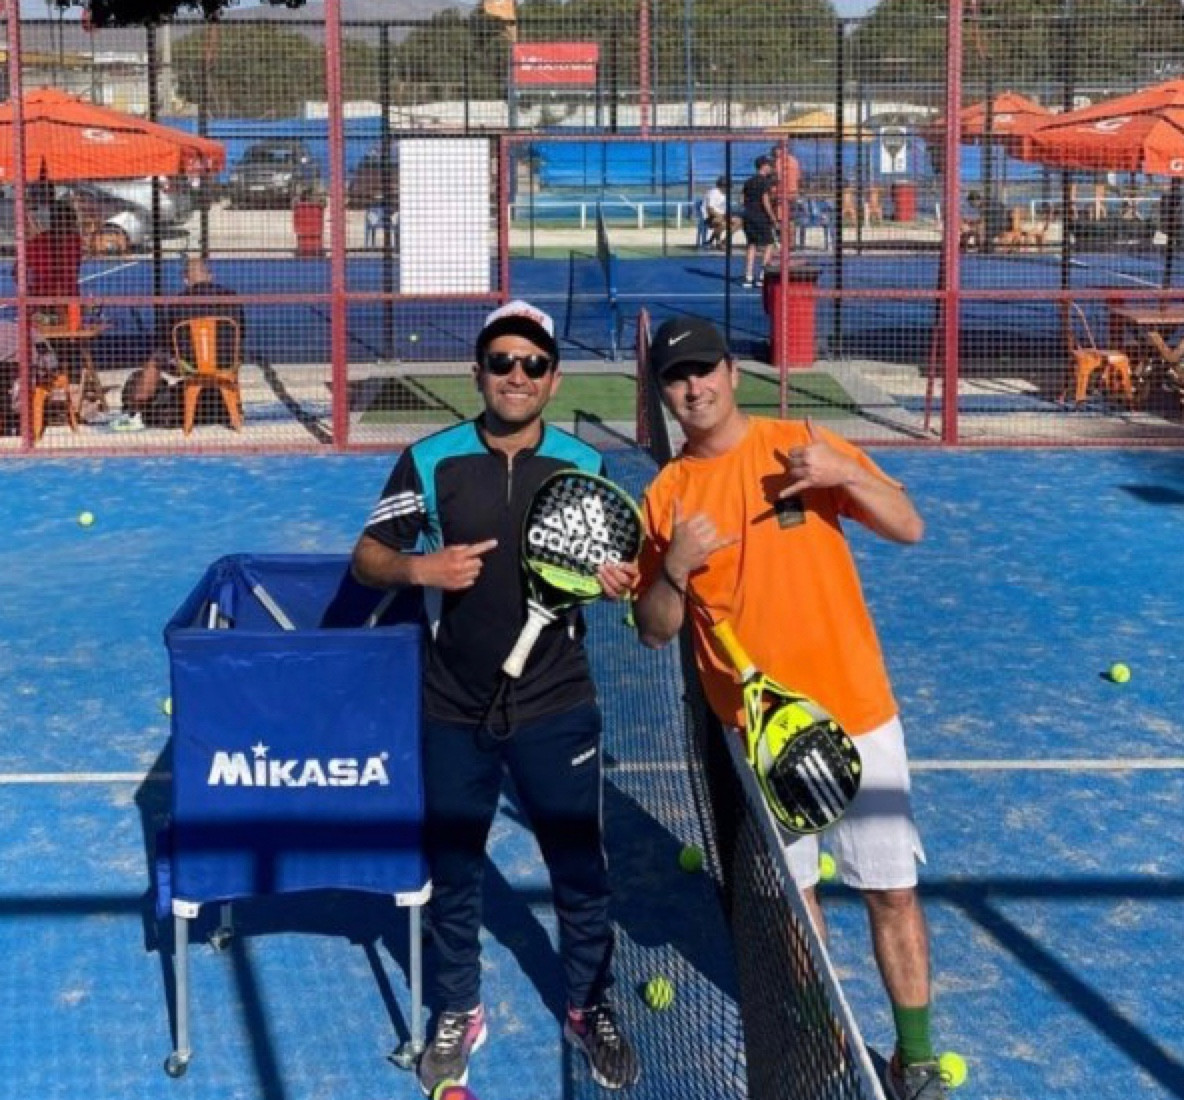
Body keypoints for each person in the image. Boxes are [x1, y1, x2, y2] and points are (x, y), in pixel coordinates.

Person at [632, 316, 949, 1100]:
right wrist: (672, 570)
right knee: (795, 908)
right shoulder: (665, 497)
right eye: (676, 377)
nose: (694, 388)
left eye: (704, 369)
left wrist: (849, 472)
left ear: (732, 372)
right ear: (664, 393)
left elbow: (910, 526)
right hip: (760, 740)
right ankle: (823, 1036)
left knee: (891, 890)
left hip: (856, 710)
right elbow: (652, 630)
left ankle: (914, 1059)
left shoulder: (800, 444)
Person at [350, 300, 641, 1096]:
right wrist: (420, 569)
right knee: (454, 870)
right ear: (477, 373)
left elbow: (609, 566)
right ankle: (458, 1006)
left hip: (557, 703)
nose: (517, 376)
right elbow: (368, 554)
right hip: (451, 705)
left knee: (580, 869)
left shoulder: (585, 463)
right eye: (502, 362)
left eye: (533, 364)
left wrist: (617, 581)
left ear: (553, 379)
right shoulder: (430, 459)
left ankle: (588, 1002)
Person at [117, 256, 245, 431]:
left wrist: (176, 356)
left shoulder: (178, 303)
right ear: (210, 275)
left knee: (156, 359)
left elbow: (167, 341)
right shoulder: (231, 298)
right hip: (226, 363)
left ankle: (135, 411)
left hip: (191, 366)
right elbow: (241, 332)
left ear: (186, 279)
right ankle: (235, 406)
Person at [26, 197, 83, 325]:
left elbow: (19, 271)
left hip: (41, 296)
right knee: (71, 322)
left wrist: (30, 288)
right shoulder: (75, 241)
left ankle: (48, 317)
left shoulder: (39, 240)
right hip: (68, 296)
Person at [741, 155, 778, 288]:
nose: (771, 167)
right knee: (769, 244)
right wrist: (773, 218)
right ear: (763, 166)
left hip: (748, 215)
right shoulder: (764, 182)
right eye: (769, 165)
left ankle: (748, 276)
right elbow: (765, 201)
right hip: (760, 216)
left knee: (751, 244)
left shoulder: (748, 182)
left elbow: (742, 200)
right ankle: (762, 276)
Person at [702, 176, 730, 249]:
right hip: (709, 217)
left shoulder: (723, 195)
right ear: (723, 186)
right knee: (723, 223)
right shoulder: (714, 193)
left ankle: (719, 242)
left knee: (738, 222)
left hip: (719, 216)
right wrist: (722, 216)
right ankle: (717, 242)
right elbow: (710, 209)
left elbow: (723, 210)